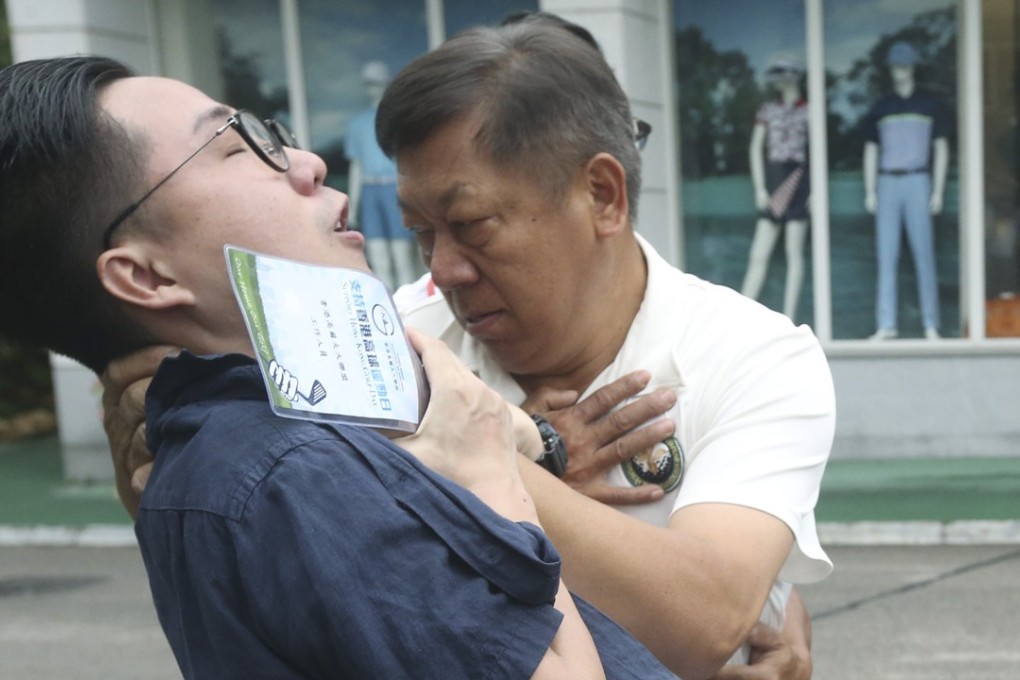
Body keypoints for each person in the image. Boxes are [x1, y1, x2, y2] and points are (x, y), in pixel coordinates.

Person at [104, 16, 832, 680]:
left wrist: (482, 453)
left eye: (473, 224)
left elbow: (704, 623)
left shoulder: (755, 356)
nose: (441, 269)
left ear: (602, 195)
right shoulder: (388, 336)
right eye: (421, 230)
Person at [0, 55, 679, 679]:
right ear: (146, 276)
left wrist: (530, 440)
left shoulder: (243, 449)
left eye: (272, 134)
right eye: (238, 150)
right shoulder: (295, 475)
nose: (305, 162)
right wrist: (488, 473)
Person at [862, 40, 950, 341]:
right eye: (895, 67)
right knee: (886, 255)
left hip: (918, 180)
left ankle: (930, 324)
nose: (898, 72)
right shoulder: (881, 106)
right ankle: (886, 324)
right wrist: (870, 189)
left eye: (903, 66)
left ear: (912, 67)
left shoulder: (929, 105)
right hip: (887, 182)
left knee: (924, 254)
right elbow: (870, 149)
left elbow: (941, 148)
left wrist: (937, 190)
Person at [741, 52, 810, 322]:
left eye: (783, 73)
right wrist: (759, 187)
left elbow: (817, 149)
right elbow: (755, 148)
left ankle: (790, 318)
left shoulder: (809, 110)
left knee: (795, 253)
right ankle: (740, 316)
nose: (778, 79)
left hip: (799, 178)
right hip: (774, 179)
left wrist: (814, 191)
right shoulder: (768, 110)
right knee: (758, 253)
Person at [344, 60, 419, 291]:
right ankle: (389, 308)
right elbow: (356, 166)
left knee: (401, 254)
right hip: (370, 191)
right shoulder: (357, 123)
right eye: (369, 83)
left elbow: (409, 160)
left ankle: (410, 310)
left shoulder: (395, 120)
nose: (373, 88)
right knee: (378, 255)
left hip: (393, 188)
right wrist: (353, 205)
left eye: (376, 83)